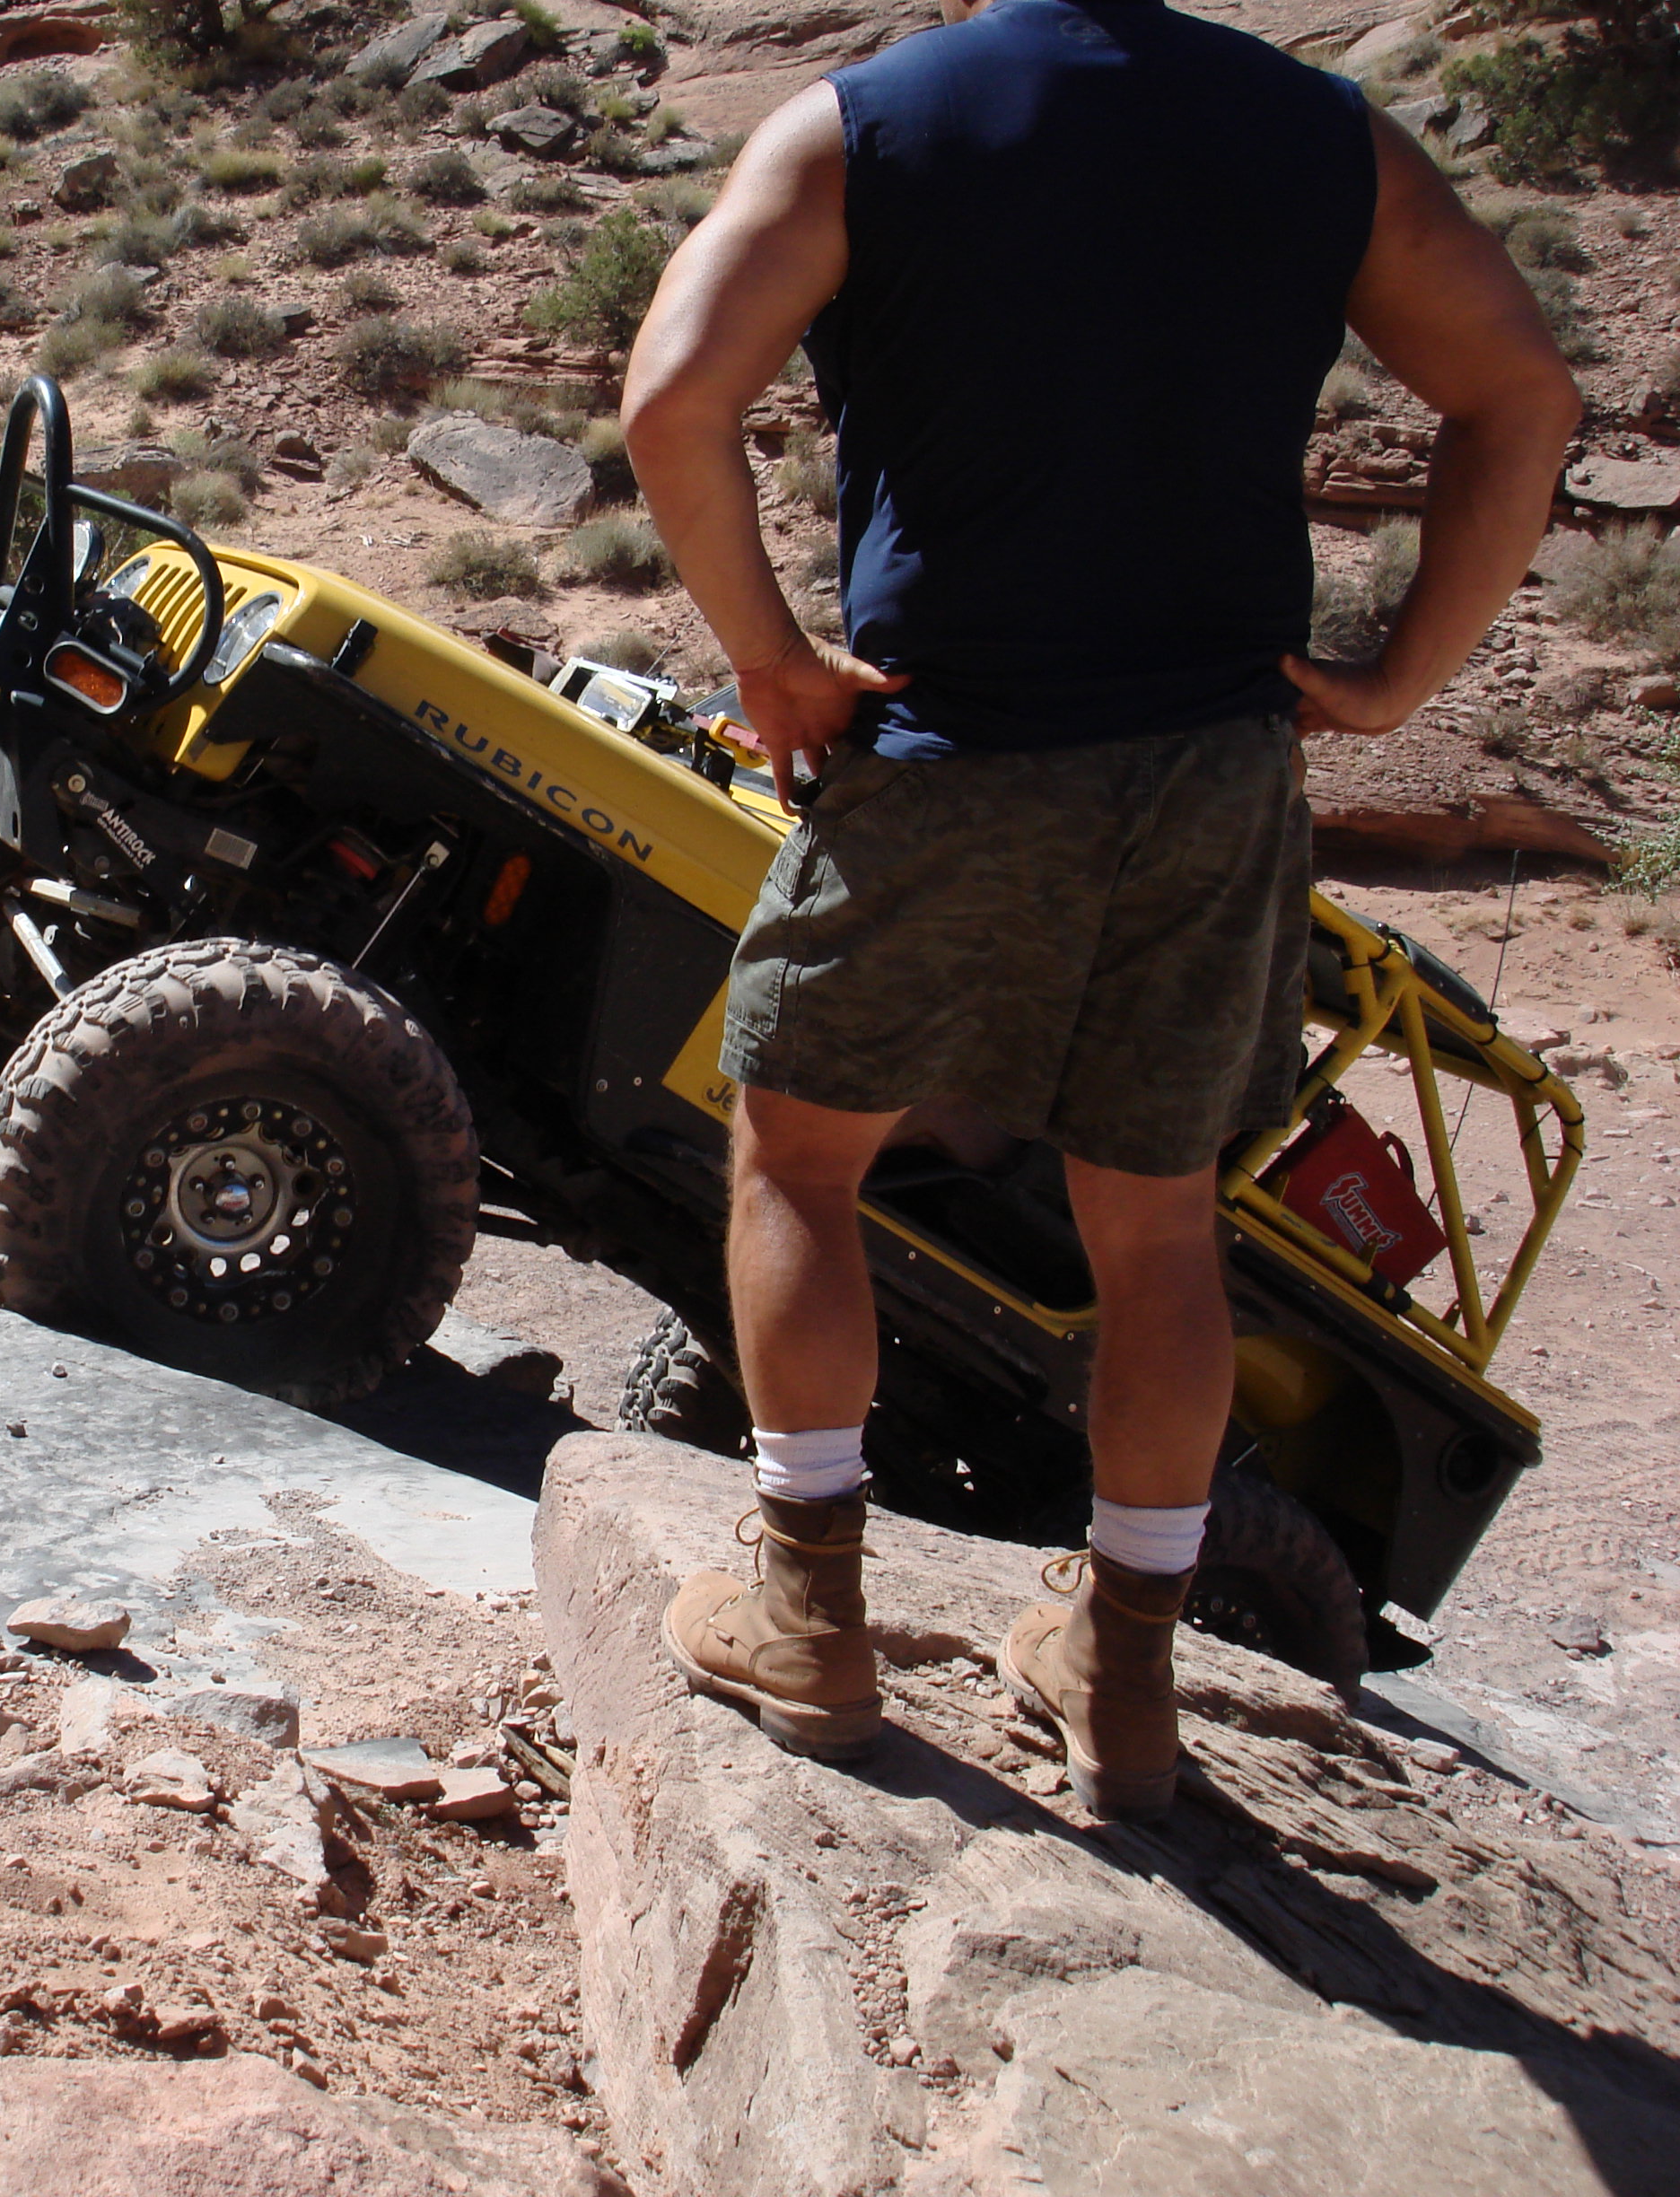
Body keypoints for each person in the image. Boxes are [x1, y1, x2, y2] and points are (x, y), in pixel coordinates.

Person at [617, 0, 1579, 1816]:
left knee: (800, 1156)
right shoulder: (1326, 138)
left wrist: (772, 660)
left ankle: (810, 1612)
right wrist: (1394, 682)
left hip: (951, 754)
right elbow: (1522, 396)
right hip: (1211, 772)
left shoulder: (865, 126)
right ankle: (1124, 1674)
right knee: (1157, 1227)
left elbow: (674, 401)